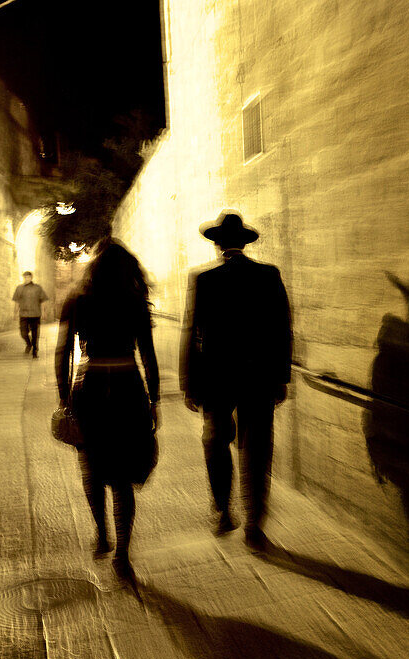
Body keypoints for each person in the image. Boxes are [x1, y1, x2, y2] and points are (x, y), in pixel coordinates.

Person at [180, 211, 292, 551]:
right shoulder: (268, 275)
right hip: (258, 376)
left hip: (216, 377)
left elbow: (191, 329)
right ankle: (255, 521)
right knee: (257, 449)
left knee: (215, 442)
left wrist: (188, 381)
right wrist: (281, 377)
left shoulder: (203, 278)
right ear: (244, 243)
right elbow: (282, 330)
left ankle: (223, 510)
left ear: (216, 244)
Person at [56, 238, 159, 579]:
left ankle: (101, 535)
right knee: (123, 476)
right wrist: (154, 399)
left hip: (90, 387)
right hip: (129, 388)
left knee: (92, 467)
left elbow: (63, 353)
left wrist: (63, 397)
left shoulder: (78, 300)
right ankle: (123, 554)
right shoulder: (134, 302)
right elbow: (148, 354)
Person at [12, 271, 48, 358]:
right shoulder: (19, 288)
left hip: (35, 314)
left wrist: (43, 312)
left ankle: (35, 351)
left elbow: (43, 300)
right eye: (25, 277)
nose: (27, 279)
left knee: (35, 334)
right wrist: (15, 313)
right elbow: (17, 302)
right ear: (23, 278)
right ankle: (29, 344)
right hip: (23, 314)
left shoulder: (38, 288)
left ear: (31, 278)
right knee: (23, 333)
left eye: (28, 277)